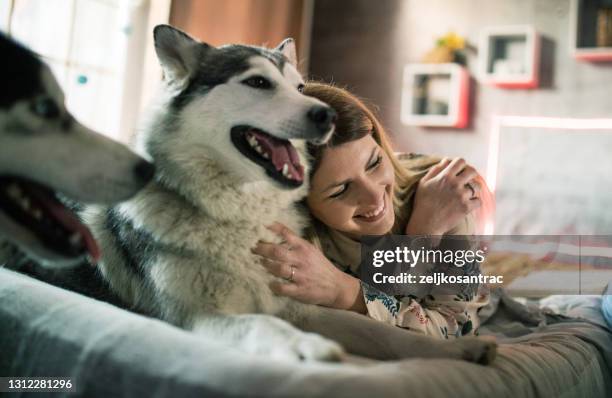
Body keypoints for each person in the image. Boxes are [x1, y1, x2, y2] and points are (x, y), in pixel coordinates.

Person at [252, 82, 492, 339]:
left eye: (375, 162)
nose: (374, 195)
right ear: (301, 200)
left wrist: (423, 233)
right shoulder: (290, 233)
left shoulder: (444, 198)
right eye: (341, 189)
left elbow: (457, 330)